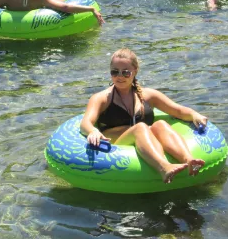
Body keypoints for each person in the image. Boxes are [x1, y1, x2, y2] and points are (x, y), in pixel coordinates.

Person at [80, 48, 208, 184]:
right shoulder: (102, 98)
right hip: (116, 144)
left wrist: (194, 115)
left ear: (135, 71)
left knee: (160, 125)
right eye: (115, 72)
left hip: (144, 141)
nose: (120, 76)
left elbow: (177, 110)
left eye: (125, 72)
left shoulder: (148, 95)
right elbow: (85, 123)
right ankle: (164, 167)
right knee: (140, 127)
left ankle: (188, 160)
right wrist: (93, 131)